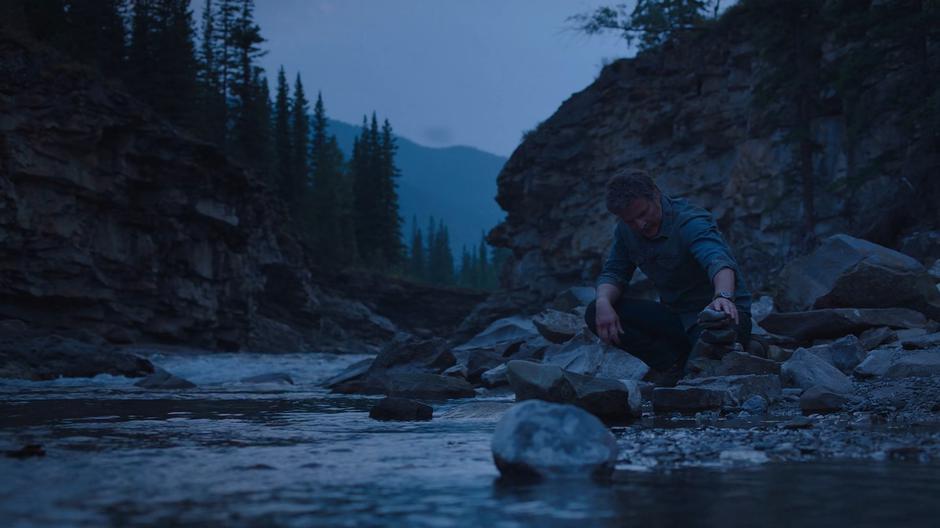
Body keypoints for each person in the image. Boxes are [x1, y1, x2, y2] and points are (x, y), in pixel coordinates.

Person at [584, 168, 752, 380]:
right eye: (630, 221)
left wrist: (723, 297)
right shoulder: (626, 231)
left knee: (716, 340)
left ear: (655, 194)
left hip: (717, 315)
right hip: (676, 318)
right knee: (595, 312)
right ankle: (672, 364)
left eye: (643, 214)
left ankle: (722, 357)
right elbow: (615, 273)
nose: (640, 225)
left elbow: (717, 260)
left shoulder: (689, 221)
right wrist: (603, 303)